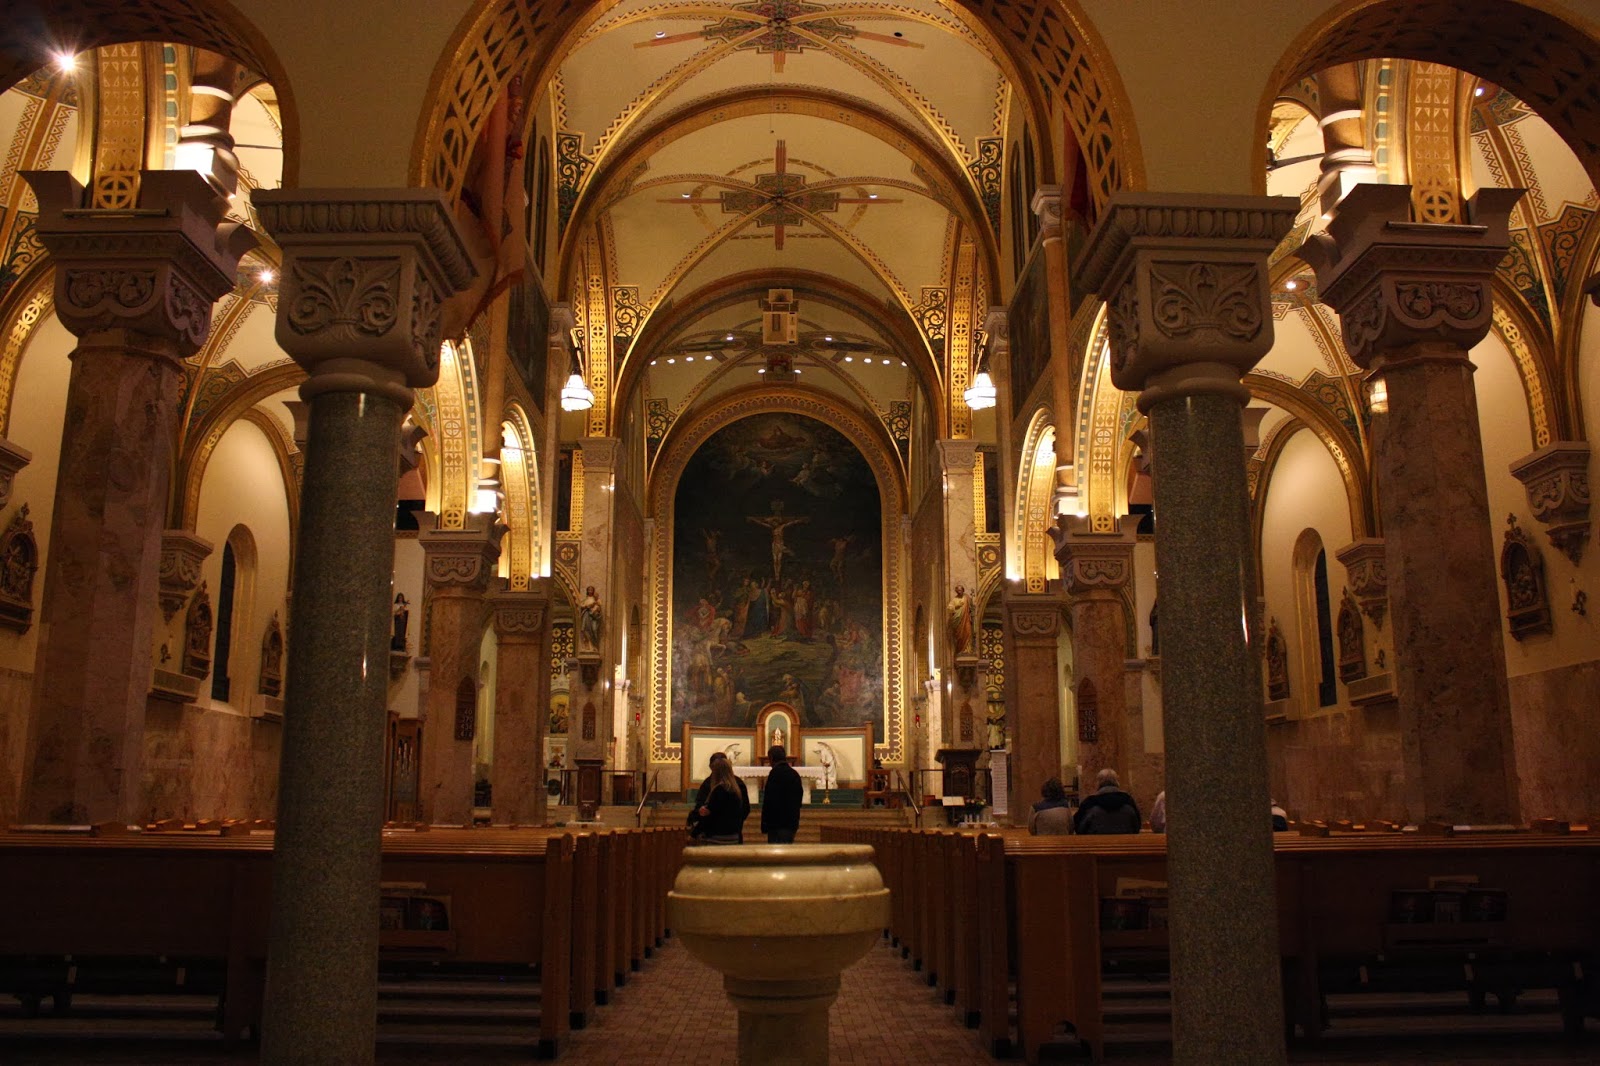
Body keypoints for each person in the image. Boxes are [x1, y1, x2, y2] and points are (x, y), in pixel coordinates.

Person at [688, 751, 750, 841]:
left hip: (715, 834)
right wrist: (735, 825)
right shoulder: (738, 784)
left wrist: (694, 834)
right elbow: (745, 809)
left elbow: (706, 812)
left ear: (712, 768)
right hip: (734, 833)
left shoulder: (716, 788)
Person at [1074, 768, 1142, 835]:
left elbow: (1079, 829)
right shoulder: (1128, 801)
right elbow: (1137, 827)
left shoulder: (1089, 803)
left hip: (1096, 844)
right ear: (1117, 782)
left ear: (1098, 783)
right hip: (1125, 844)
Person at [760, 745, 803, 844]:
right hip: (791, 822)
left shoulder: (774, 774)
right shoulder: (794, 774)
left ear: (771, 758)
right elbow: (799, 798)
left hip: (776, 823)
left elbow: (769, 801)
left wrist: (764, 824)